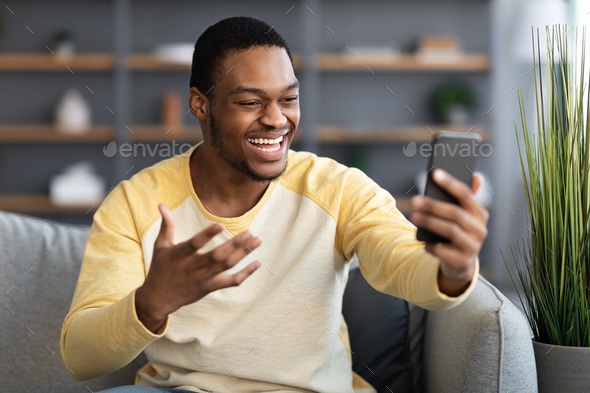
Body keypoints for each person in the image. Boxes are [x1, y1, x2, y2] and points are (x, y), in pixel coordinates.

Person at [60, 16, 489, 393]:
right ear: (200, 105)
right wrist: (151, 302)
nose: (277, 119)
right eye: (250, 102)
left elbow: (400, 262)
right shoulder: (135, 204)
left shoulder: (335, 188)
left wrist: (452, 269)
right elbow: (81, 357)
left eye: (288, 99)